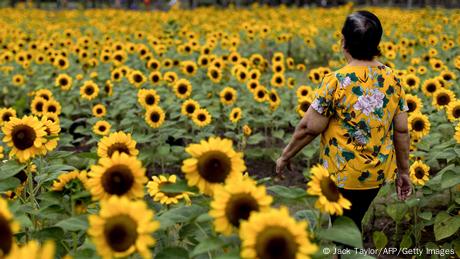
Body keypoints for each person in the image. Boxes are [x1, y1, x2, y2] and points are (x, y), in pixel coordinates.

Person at [275, 10, 412, 255]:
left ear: (343, 42)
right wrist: (403, 171)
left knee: (344, 236)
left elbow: (309, 127)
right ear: (377, 44)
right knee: (351, 225)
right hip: (375, 176)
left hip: (341, 178)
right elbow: (401, 129)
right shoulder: (393, 79)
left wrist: (286, 155)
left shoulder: (336, 81)